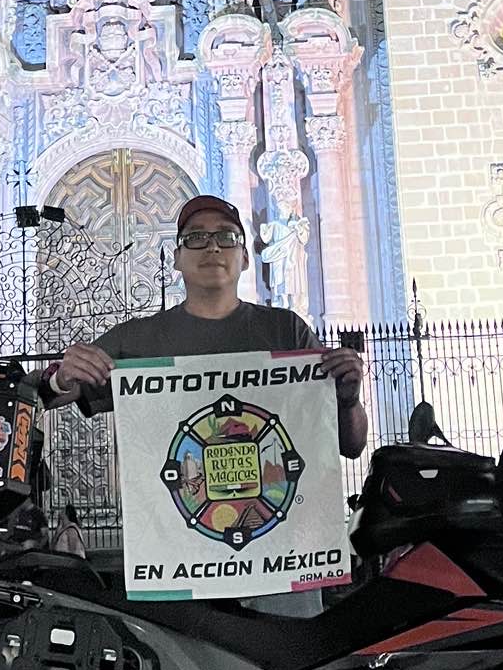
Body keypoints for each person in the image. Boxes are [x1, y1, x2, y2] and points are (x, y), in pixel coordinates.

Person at [46, 193, 366, 618]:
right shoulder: (137, 341)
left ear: (245, 258)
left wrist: (348, 399)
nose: (212, 247)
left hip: (281, 568)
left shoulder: (286, 330)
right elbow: (49, 395)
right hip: (181, 572)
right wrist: (61, 374)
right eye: (195, 238)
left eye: (226, 237)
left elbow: (351, 444)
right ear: (176, 258)